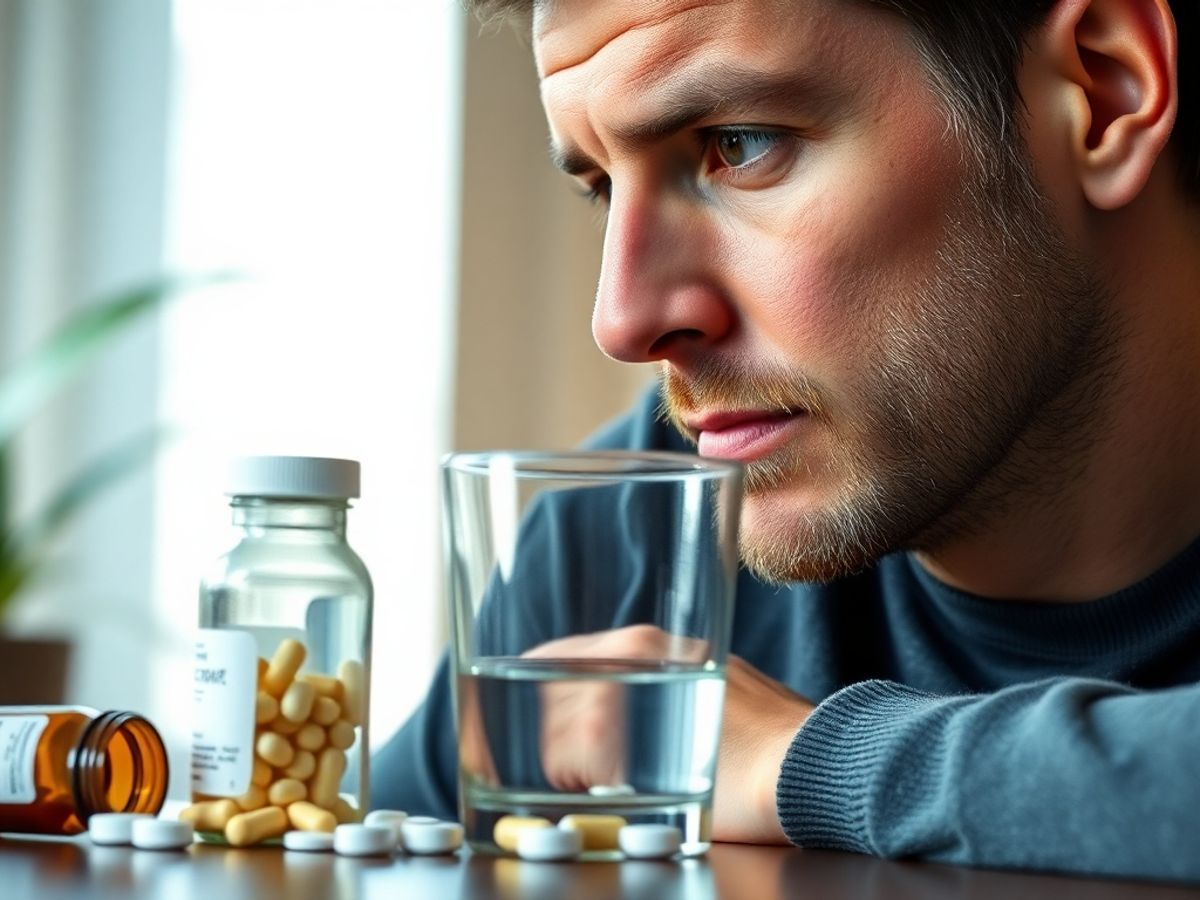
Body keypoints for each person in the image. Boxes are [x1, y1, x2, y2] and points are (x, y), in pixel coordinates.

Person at [373, 0, 1200, 881]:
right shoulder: (619, 562)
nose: (623, 320)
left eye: (738, 144)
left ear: (1101, 93)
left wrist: (803, 762)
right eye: (602, 185)